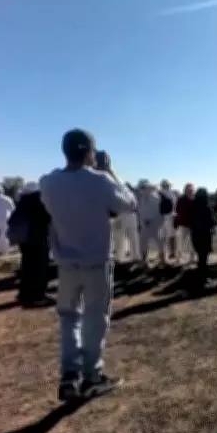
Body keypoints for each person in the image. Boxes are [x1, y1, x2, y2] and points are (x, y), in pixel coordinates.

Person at [39, 129, 137, 401]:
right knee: (95, 319)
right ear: (89, 152)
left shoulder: (48, 182)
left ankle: (70, 374)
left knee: (69, 318)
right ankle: (92, 376)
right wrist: (112, 171)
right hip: (96, 262)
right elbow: (130, 204)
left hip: (66, 264)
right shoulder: (101, 180)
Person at [8, 181, 54, 307]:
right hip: (38, 238)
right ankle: (38, 295)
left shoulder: (23, 202)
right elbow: (47, 218)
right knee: (40, 267)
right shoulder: (39, 201)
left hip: (25, 239)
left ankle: (24, 293)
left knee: (27, 265)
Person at [190, 187, 216, 287]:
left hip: (195, 234)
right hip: (204, 235)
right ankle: (203, 278)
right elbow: (211, 222)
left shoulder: (193, 206)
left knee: (200, 256)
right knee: (203, 257)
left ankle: (200, 275)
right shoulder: (206, 207)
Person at [137, 180, 167, 266]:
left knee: (159, 242)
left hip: (155, 224)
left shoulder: (156, 197)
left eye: (144, 188)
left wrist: (151, 220)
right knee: (143, 243)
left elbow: (156, 211)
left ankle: (162, 260)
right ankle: (144, 260)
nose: (143, 190)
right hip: (145, 224)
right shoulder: (141, 197)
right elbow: (140, 211)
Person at [174, 184, 196, 265]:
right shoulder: (181, 199)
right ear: (185, 190)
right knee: (180, 242)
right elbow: (177, 210)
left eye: (191, 189)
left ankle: (192, 258)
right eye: (188, 189)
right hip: (183, 224)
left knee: (192, 242)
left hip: (193, 225)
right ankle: (178, 258)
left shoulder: (195, 199)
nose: (190, 191)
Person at [158, 180, 177, 262]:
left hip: (160, 218)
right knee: (171, 236)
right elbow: (175, 206)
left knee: (162, 237)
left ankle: (162, 255)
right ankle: (172, 253)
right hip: (170, 217)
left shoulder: (157, 193)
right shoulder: (172, 194)